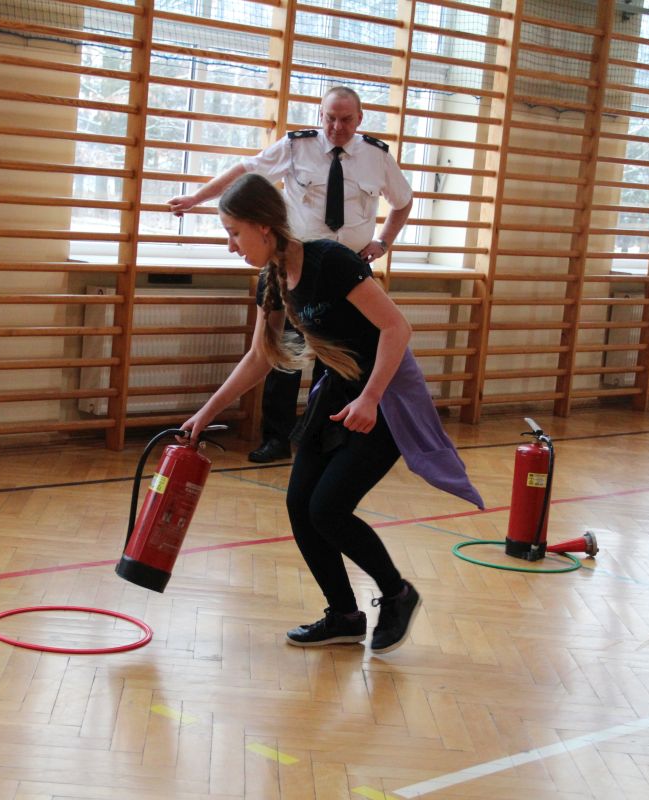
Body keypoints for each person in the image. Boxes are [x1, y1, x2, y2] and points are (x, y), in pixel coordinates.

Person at [181, 173, 483, 654]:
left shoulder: (332, 261)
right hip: (337, 395)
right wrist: (205, 412)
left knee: (327, 509)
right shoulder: (272, 280)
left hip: (384, 397)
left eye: (234, 233)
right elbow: (260, 356)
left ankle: (397, 594)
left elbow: (396, 328)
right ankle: (344, 615)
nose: (231, 245)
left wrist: (371, 398)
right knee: (300, 507)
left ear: (263, 226)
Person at [169, 86, 414, 464]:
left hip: (345, 271)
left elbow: (403, 201)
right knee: (283, 356)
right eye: (330, 118)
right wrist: (194, 199)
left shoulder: (376, 156)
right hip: (296, 268)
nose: (337, 127)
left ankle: (326, 436)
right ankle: (280, 438)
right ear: (320, 115)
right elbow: (246, 173)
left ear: (360, 119)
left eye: (346, 119)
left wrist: (383, 242)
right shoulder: (298, 146)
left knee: (336, 366)